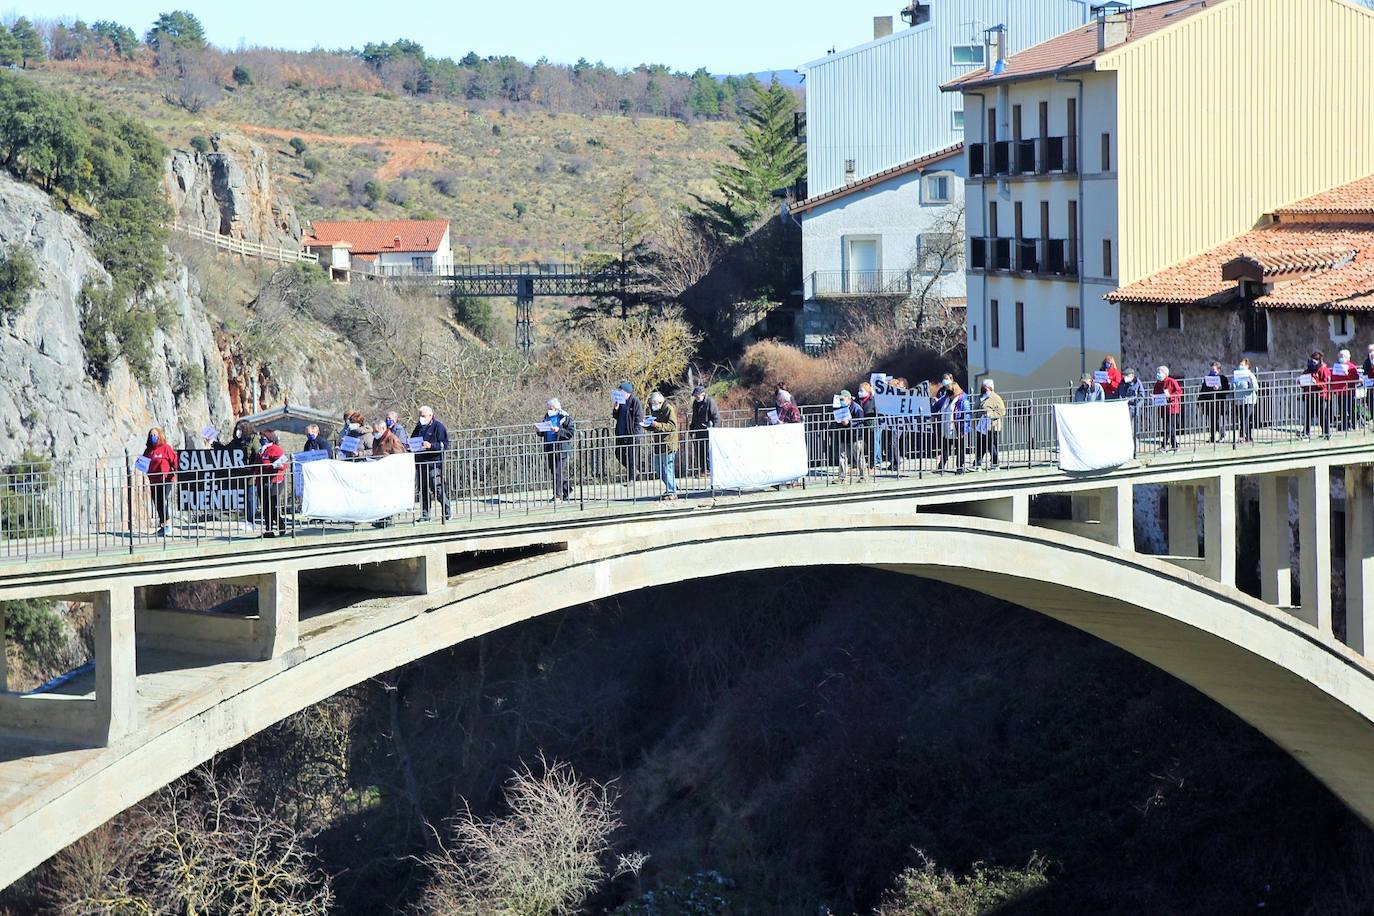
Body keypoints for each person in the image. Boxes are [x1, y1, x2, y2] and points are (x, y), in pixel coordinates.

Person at [215, 419, 260, 531]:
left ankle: (251, 521)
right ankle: (246, 520)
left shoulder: (253, 439)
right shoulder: (236, 441)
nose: (238, 432)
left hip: (249, 474)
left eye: (240, 430)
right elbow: (227, 450)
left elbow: (257, 454)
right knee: (243, 499)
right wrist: (216, 445)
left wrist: (253, 468)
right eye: (237, 429)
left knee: (250, 499)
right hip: (238, 475)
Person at [411, 405, 451, 521]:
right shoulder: (418, 428)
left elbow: (444, 445)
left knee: (437, 488)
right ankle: (425, 515)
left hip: (434, 463)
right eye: (420, 416)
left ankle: (447, 509)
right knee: (423, 490)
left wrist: (431, 446)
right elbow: (413, 440)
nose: (421, 418)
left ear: (430, 415)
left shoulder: (438, 427)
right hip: (421, 463)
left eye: (423, 416)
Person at [538, 398, 576, 501]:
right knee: (554, 471)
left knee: (557, 471)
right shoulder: (547, 416)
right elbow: (544, 431)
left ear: (555, 406)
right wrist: (539, 430)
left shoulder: (564, 417)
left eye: (550, 406)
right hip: (550, 446)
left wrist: (559, 430)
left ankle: (557, 495)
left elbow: (571, 432)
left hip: (561, 448)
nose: (548, 408)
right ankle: (567, 488)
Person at [644, 391, 679, 500]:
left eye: (654, 403)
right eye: (651, 403)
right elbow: (654, 426)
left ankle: (672, 491)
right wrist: (647, 425)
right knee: (658, 468)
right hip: (659, 443)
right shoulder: (655, 410)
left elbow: (672, 426)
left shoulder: (668, 409)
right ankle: (671, 486)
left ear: (660, 401)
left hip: (668, 443)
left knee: (668, 468)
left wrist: (657, 425)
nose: (652, 405)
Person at [143, 426, 178, 536]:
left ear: (159, 436)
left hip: (166, 479)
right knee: (157, 502)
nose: (153, 437)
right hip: (154, 480)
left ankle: (168, 524)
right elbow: (144, 464)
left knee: (162, 499)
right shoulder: (148, 451)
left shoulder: (166, 448)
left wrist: (178, 472)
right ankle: (163, 525)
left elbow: (175, 461)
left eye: (155, 435)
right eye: (151, 435)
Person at [257, 429, 288, 538]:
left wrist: (273, 466)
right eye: (260, 437)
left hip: (274, 481)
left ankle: (280, 526)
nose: (261, 439)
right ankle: (269, 530)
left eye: (263, 437)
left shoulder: (275, 449)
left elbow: (283, 464)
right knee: (265, 506)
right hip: (262, 481)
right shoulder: (261, 450)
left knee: (272, 505)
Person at [612, 380, 645, 482]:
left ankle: (631, 479)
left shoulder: (635, 401)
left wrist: (636, 434)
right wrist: (615, 409)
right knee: (619, 454)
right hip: (621, 434)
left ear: (627, 392)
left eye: (622, 391)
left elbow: (639, 419)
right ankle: (633, 470)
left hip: (631, 434)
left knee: (632, 457)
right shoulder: (620, 402)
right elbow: (615, 416)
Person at [831, 390, 867, 482]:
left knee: (859, 456)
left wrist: (849, 423)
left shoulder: (856, 408)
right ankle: (842, 477)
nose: (841, 400)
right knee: (842, 456)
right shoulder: (839, 407)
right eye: (840, 399)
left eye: (843, 399)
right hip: (844, 435)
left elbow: (861, 421)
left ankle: (864, 476)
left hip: (855, 436)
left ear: (849, 398)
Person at [935, 380, 970, 472]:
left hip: (957, 428)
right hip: (946, 428)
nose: (947, 392)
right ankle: (941, 466)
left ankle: (960, 467)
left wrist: (963, 429)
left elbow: (966, 415)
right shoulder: (946, 399)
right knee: (945, 448)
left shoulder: (962, 400)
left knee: (959, 448)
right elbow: (936, 406)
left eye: (949, 390)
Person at [686, 385, 719, 477]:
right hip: (698, 430)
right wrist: (691, 429)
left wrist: (714, 430)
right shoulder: (695, 403)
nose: (696, 397)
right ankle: (703, 470)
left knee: (708, 452)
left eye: (697, 395)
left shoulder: (710, 402)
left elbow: (716, 417)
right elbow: (694, 417)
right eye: (695, 396)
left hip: (708, 431)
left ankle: (709, 470)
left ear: (703, 394)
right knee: (700, 452)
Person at [1114, 368, 1148, 455]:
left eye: (1126, 375)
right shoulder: (1122, 383)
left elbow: (1141, 396)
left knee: (1131, 429)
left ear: (1132, 376)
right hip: (1122, 408)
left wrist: (1136, 405)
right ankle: (1126, 445)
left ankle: (1135, 445)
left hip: (1132, 408)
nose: (1124, 377)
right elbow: (1118, 393)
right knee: (1124, 428)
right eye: (1124, 375)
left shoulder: (1137, 383)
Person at [1198, 360, 1232, 443]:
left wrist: (1219, 388)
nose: (1212, 372)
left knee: (1220, 420)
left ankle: (1222, 434)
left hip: (1220, 402)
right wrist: (1199, 401)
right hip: (1210, 402)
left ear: (1218, 370)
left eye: (1214, 370)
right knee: (1212, 420)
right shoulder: (1207, 378)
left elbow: (1226, 390)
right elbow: (1203, 390)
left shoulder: (1223, 378)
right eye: (1211, 370)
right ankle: (1213, 436)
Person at [975, 379, 1005, 469]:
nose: (982, 388)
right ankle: (977, 464)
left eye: (984, 386)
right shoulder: (980, 397)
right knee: (980, 446)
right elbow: (976, 408)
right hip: (981, 426)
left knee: (991, 446)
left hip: (992, 427)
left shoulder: (995, 398)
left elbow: (1002, 411)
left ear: (989, 388)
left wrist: (991, 415)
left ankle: (995, 464)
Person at [1301, 350, 1331, 439]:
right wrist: (1300, 381)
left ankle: (1326, 432)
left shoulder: (1323, 369)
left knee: (1321, 415)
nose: (1312, 362)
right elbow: (1304, 377)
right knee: (1308, 415)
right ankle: (1305, 432)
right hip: (1309, 395)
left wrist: (1316, 383)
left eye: (1314, 360)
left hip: (1320, 396)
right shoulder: (1308, 370)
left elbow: (1326, 383)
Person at [1153, 366, 1183, 451]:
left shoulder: (1171, 381)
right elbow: (1155, 393)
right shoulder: (1158, 383)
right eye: (1158, 372)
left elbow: (1179, 392)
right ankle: (1170, 445)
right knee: (1167, 427)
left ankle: (1170, 445)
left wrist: (1170, 396)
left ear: (1165, 373)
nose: (1158, 374)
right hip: (1163, 408)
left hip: (1172, 407)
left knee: (1170, 427)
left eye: (1160, 372)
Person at [1232, 358, 1259, 442]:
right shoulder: (1236, 375)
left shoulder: (1250, 375)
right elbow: (1232, 387)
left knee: (1246, 417)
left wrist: (1251, 382)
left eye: (1242, 365)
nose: (1241, 367)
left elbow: (1256, 388)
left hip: (1249, 400)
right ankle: (1247, 436)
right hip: (1239, 401)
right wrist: (1233, 384)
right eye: (1240, 365)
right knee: (1242, 418)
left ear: (1247, 366)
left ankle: (1242, 435)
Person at [1332, 348, 1358, 431]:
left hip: (1349, 391)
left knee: (1351, 409)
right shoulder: (1337, 366)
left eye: (1341, 356)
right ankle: (1344, 425)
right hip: (1340, 392)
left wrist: (1347, 374)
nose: (1340, 357)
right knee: (1342, 410)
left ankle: (1354, 424)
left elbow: (1356, 378)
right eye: (1339, 356)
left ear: (1347, 357)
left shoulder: (1351, 366)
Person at [855, 382, 878, 470]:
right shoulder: (858, 400)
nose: (860, 392)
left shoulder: (873, 400)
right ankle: (859, 464)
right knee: (859, 446)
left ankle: (872, 465)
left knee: (871, 445)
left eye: (862, 390)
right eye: (859, 390)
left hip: (870, 425)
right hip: (860, 425)